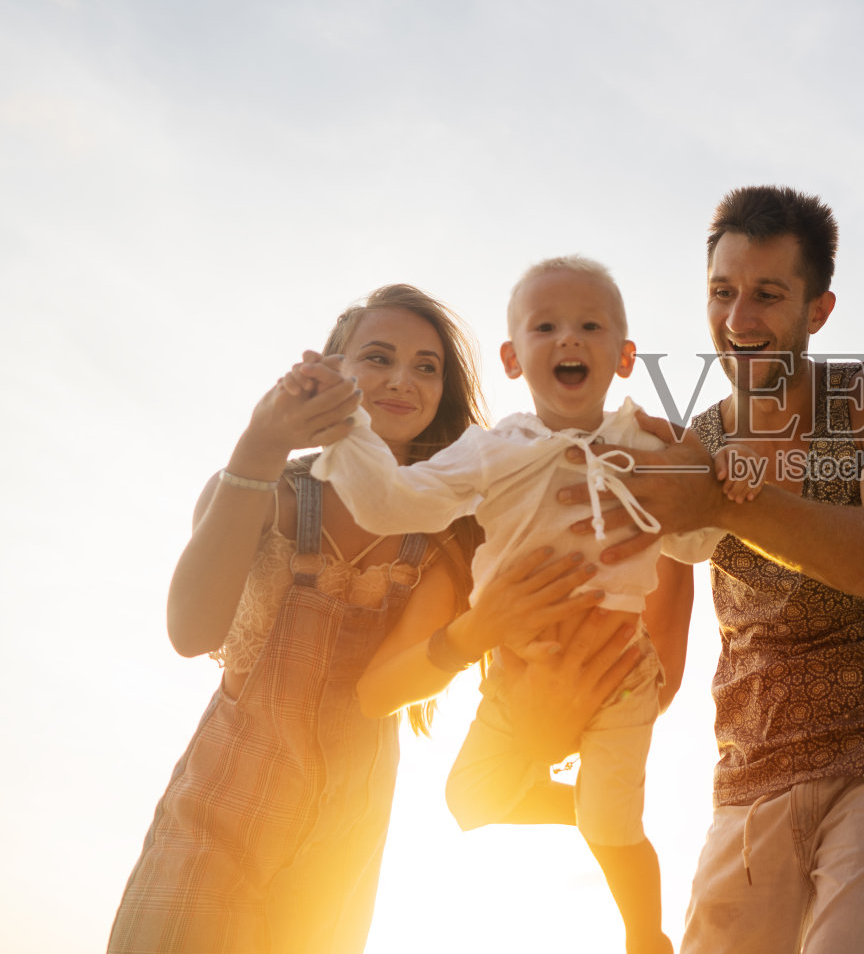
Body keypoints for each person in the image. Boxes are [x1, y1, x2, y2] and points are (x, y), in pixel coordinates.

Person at [109, 285, 637, 954]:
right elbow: (191, 632)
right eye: (379, 357)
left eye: (426, 367)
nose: (401, 380)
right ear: (334, 369)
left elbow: (393, 684)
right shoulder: (266, 490)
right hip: (217, 816)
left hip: (341, 846)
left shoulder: (450, 536)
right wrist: (258, 445)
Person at [560, 186, 864, 954]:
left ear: (819, 309)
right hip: (751, 768)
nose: (739, 319)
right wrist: (571, 708)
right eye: (723, 292)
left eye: (768, 295)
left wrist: (728, 500)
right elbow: (657, 653)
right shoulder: (693, 443)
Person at [311, 257, 732, 954]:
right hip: (518, 665)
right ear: (512, 359)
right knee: (468, 798)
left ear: (624, 356)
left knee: (615, 828)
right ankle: (586, 804)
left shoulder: (644, 445)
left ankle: (645, 933)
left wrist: (707, 476)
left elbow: (698, 543)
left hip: (620, 670)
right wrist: (346, 428)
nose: (568, 338)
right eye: (545, 327)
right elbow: (392, 501)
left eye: (589, 326)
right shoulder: (494, 451)